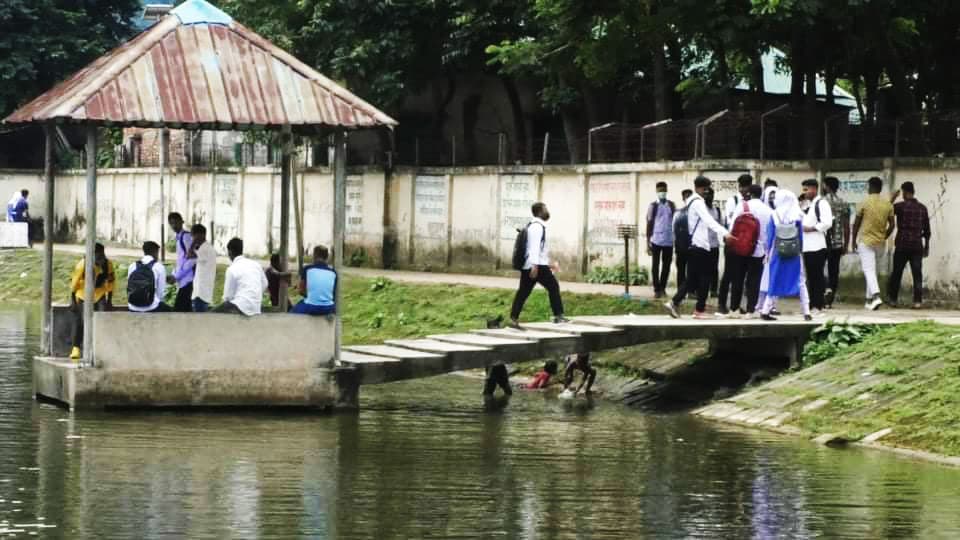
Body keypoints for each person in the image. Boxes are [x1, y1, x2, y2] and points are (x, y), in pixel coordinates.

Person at [664, 177, 734, 319]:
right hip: (701, 245)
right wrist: (726, 233)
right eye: (705, 189)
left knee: (693, 278)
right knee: (704, 277)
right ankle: (698, 309)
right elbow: (709, 221)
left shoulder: (692, 202)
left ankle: (675, 302)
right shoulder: (698, 203)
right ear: (699, 188)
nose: (706, 192)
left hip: (697, 245)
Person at [509, 202, 569, 328]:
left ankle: (513, 319)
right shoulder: (537, 227)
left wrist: (548, 265)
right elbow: (534, 248)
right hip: (535, 266)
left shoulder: (534, 225)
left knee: (523, 292)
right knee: (553, 286)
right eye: (545, 209)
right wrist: (535, 266)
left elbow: (538, 250)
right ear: (540, 211)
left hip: (531, 265)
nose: (547, 211)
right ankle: (559, 316)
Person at [758, 190, 812, 321]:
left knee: (774, 279)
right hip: (794, 252)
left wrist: (767, 253)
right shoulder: (798, 215)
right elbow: (800, 236)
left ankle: (765, 310)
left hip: (777, 252)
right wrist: (800, 251)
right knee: (800, 280)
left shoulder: (774, 215)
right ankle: (807, 311)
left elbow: (770, 236)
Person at [728, 184, 772, 318]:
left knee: (738, 279)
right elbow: (769, 233)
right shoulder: (768, 210)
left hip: (740, 249)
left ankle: (734, 309)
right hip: (758, 250)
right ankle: (750, 310)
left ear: (749, 194)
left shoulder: (742, 206)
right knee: (754, 281)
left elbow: (732, 227)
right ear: (761, 194)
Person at [852, 177, 895, 311]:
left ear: (870, 187)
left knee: (868, 270)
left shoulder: (863, 202)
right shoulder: (887, 204)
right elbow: (893, 224)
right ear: (880, 188)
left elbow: (856, 224)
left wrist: (853, 240)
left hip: (866, 241)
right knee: (872, 271)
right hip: (880, 243)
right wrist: (884, 236)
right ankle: (869, 300)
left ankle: (876, 296)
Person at [888, 182, 931, 309]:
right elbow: (927, 230)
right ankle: (917, 302)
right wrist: (926, 247)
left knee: (897, 273)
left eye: (902, 193)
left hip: (902, 244)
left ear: (905, 192)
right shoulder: (922, 208)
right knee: (917, 274)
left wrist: (892, 198)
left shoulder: (900, 206)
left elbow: (886, 210)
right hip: (917, 246)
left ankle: (893, 300)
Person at [69, 243, 115, 360]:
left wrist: (109, 300)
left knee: (102, 319)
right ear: (92, 255)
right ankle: (76, 348)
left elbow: (111, 283)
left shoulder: (108, 265)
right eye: (98, 257)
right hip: (83, 294)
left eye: (102, 256)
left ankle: (99, 347)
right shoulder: (82, 264)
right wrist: (73, 300)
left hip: (99, 294)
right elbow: (74, 283)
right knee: (82, 321)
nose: (101, 259)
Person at [717, 174, 754, 315]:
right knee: (729, 274)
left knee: (741, 276)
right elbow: (731, 220)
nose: (745, 189)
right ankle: (721, 303)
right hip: (733, 242)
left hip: (746, 243)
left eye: (748, 186)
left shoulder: (752, 201)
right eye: (743, 186)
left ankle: (736, 305)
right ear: (739, 187)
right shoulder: (733, 201)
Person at [799, 178, 833, 315]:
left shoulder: (822, 203)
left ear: (814, 189)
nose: (805, 193)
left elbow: (827, 222)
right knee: (811, 277)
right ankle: (812, 305)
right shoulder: (810, 204)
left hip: (817, 246)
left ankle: (818, 306)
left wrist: (811, 228)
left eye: (806, 190)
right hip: (808, 246)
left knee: (817, 277)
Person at [214, 237, 268, 316]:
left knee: (211, 315)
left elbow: (228, 297)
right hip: (256, 308)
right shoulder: (256, 264)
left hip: (240, 307)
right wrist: (254, 295)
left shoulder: (232, 269)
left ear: (230, 252)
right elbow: (265, 284)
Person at [821, 176, 850, 308]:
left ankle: (823, 291)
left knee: (819, 268)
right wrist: (846, 243)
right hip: (837, 243)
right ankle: (830, 299)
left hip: (822, 242)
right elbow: (846, 226)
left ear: (826, 186)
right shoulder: (843, 203)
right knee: (834, 270)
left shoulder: (821, 202)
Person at [646, 182, 675, 299]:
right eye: (660, 190)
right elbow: (649, 223)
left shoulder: (671, 205)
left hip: (669, 240)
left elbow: (674, 222)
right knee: (655, 266)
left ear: (667, 190)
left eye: (664, 190)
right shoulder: (653, 206)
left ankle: (663, 288)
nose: (662, 192)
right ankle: (656, 289)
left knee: (666, 266)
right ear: (657, 191)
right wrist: (647, 242)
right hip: (656, 239)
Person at [293, 245, 337, 316]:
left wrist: (311, 296)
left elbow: (301, 291)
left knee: (291, 313)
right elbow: (333, 294)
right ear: (327, 257)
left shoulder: (307, 269)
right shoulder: (333, 272)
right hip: (329, 308)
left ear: (314, 255)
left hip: (311, 307)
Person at [127, 241, 170, 313]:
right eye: (157, 253)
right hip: (152, 307)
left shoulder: (132, 266)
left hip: (133, 306)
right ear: (155, 252)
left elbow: (129, 287)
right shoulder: (159, 267)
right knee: (170, 311)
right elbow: (161, 293)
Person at [166, 212, 195, 312]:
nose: (174, 226)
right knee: (186, 312)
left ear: (182, 222)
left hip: (188, 280)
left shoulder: (186, 237)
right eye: (171, 223)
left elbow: (192, 259)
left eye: (176, 222)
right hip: (182, 281)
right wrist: (174, 275)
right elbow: (181, 260)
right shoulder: (179, 238)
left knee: (177, 312)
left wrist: (177, 276)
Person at [189, 224, 217, 313]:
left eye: (193, 235)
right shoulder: (204, 248)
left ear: (200, 235)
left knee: (198, 322)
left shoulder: (205, 249)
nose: (192, 238)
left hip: (201, 293)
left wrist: (193, 243)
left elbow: (189, 255)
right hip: (201, 291)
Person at [704, 187, 723, 298]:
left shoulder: (717, 210)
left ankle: (714, 290)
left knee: (714, 269)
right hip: (704, 244)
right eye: (706, 194)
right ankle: (702, 290)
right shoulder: (702, 209)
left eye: (710, 194)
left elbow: (720, 225)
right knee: (703, 269)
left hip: (714, 244)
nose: (708, 196)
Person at [674, 189, 694, 293]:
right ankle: (680, 292)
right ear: (683, 198)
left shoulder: (696, 212)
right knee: (681, 271)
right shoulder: (678, 213)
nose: (688, 198)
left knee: (692, 271)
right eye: (686, 197)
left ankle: (691, 291)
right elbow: (674, 230)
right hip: (680, 247)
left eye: (690, 196)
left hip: (692, 247)